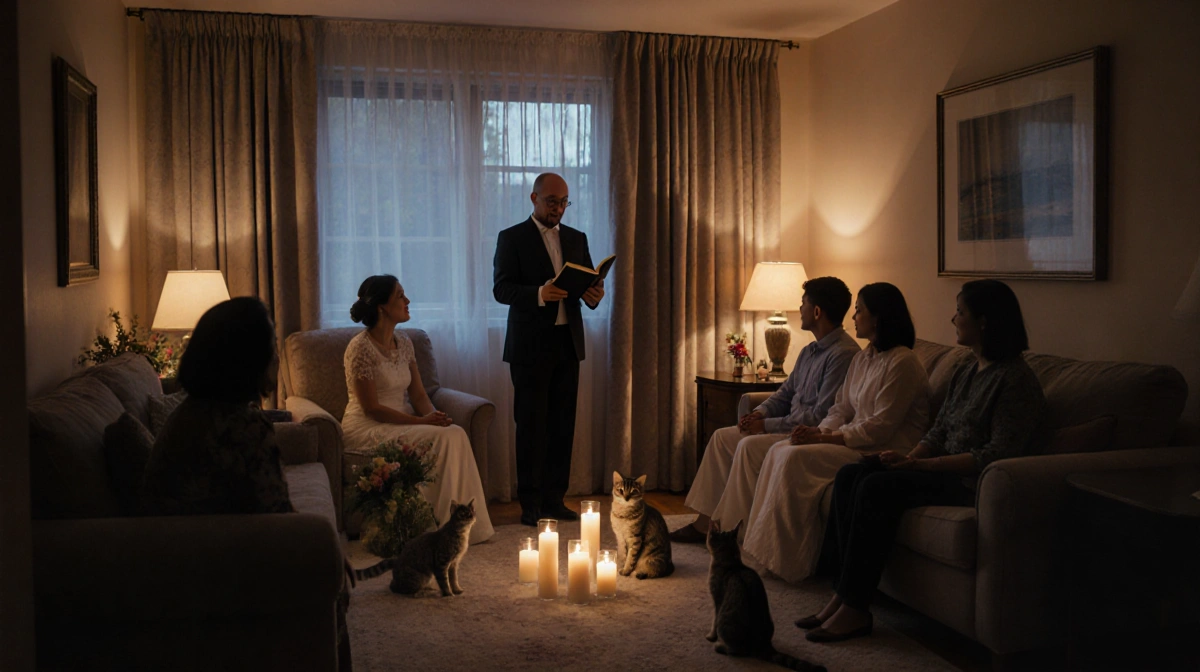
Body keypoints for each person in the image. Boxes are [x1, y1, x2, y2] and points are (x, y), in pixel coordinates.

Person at [800, 279, 1049, 643]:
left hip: (968, 483)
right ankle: (841, 593)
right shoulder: (968, 369)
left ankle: (856, 609)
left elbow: (995, 456)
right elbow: (938, 431)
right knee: (852, 474)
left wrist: (922, 467)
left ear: (984, 322)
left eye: (960, 312)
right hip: (933, 468)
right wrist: (908, 458)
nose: (953, 319)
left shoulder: (1015, 381)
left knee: (874, 487)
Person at [740, 282, 930, 582]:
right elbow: (841, 408)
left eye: (859, 311)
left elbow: (879, 427)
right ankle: (763, 551)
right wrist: (818, 431)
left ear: (877, 317)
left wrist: (826, 438)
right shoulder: (864, 358)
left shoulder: (903, 362)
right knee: (781, 449)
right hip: (850, 440)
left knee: (793, 459)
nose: (853, 318)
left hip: (882, 449)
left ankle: (791, 561)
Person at [670, 277, 860, 543]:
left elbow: (819, 416)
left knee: (747, 446)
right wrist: (759, 413)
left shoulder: (843, 355)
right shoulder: (808, 351)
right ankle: (704, 524)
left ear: (817, 311)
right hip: (785, 425)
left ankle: (732, 533)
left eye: (803, 303)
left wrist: (767, 426)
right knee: (722, 438)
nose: (800, 308)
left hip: (806, 435)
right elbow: (784, 393)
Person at [341, 275, 495, 544]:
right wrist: (421, 421)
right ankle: (431, 531)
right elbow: (373, 408)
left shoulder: (406, 342)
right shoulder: (360, 348)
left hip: (404, 419)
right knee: (442, 436)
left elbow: (419, 394)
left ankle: (461, 527)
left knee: (454, 432)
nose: (407, 300)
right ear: (382, 307)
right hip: (368, 426)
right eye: (400, 295)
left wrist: (436, 417)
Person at [493, 173, 606, 526]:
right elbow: (501, 290)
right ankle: (530, 505)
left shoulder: (576, 238)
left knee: (562, 425)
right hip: (529, 346)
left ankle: (555, 500)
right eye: (552, 201)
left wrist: (594, 296)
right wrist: (539, 294)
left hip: (566, 343)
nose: (558, 208)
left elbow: (584, 286)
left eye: (564, 202)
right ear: (534, 198)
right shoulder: (511, 238)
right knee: (530, 426)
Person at [141, 297, 294, 516]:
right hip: (217, 546)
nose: (276, 356)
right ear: (249, 360)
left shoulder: (188, 413)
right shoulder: (245, 427)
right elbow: (282, 518)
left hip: (180, 542)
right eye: (271, 345)